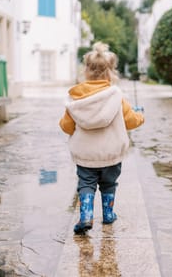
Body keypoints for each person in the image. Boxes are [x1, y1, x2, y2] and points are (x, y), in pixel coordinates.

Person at [59, 42, 144, 235]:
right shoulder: (116, 96)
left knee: (86, 185)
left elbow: (66, 126)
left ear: (86, 72)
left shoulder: (75, 100)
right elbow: (131, 121)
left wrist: (67, 123)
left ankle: (86, 216)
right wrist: (140, 116)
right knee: (109, 184)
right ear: (110, 72)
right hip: (111, 154)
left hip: (86, 155)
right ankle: (108, 214)